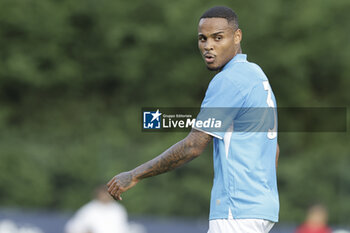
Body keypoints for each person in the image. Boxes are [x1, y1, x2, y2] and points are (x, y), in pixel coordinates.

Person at [107, 6, 279, 233]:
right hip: (262, 208)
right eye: (203, 38)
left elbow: (193, 146)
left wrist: (134, 175)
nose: (208, 45)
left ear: (237, 36)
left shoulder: (229, 80)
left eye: (218, 38)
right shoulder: (256, 75)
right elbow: (273, 149)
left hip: (236, 211)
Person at [64, 185, 129, 233]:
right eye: (104, 194)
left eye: (108, 194)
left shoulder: (118, 209)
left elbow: (123, 228)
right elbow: (72, 227)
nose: (106, 196)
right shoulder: (89, 210)